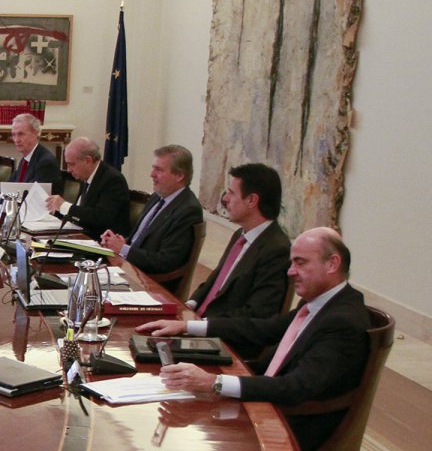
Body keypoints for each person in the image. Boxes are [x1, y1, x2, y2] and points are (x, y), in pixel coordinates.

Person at [137, 227, 370, 451]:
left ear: (332, 264)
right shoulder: (320, 301)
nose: (290, 271)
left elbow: (295, 387)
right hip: (268, 405)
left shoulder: (343, 320)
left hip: (291, 427)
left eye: (300, 262)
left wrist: (213, 382)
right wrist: (187, 325)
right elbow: (263, 328)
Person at [187, 163, 290, 320]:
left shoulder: (276, 250)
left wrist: (200, 325)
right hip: (198, 320)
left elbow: (256, 313)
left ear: (252, 200)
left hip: (221, 336)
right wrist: (190, 304)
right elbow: (217, 280)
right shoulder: (240, 234)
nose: (225, 199)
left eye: (231, 193)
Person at [99, 145, 203, 293]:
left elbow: (166, 261)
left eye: (159, 170)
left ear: (179, 175)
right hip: (130, 271)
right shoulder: (157, 197)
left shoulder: (187, 210)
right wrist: (117, 242)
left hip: (152, 285)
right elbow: (139, 240)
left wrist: (123, 249)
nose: (151, 174)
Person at [45, 137, 130, 240]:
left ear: (88, 160)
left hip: (100, 243)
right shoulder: (85, 177)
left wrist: (64, 206)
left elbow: (100, 218)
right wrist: (56, 210)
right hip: (81, 237)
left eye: (71, 164)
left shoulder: (113, 180)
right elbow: (81, 212)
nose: (68, 170)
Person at [0, 113, 62, 201]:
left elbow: (31, 196)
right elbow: (12, 182)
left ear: (35, 134)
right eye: (14, 135)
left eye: (21, 134)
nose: (16, 140)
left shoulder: (45, 162)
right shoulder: (26, 159)